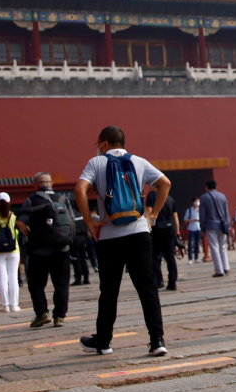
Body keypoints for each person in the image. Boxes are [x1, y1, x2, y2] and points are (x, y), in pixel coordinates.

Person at [73, 125, 171, 357]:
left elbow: (79, 189)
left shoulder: (96, 163)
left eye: (97, 144)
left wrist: (90, 222)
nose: (97, 148)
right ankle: (157, 341)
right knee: (147, 287)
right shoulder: (139, 161)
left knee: (109, 291)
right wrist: (153, 214)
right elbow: (164, 183)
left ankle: (104, 342)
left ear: (105, 143)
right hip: (139, 233)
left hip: (109, 236)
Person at [17, 172, 76, 328]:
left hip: (39, 250)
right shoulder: (63, 200)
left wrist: (31, 236)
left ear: (36, 184)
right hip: (62, 248)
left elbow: (20, 223)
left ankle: (42, 313)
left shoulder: (31, 201)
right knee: (61, 283)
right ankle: (59, 317)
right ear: (51, 184)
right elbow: (72, 221)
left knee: (36, 283)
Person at [146, 186, 179, 291]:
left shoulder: (152, 195)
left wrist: (148, 228)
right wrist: (177, 230)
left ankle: (159, 281)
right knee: (170, 257)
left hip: (156, 230)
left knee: (154, 256)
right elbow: (175, 217)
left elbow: (149, 212)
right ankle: (172, 282)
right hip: (169, 230)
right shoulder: (170, 198)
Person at [198, 180, 231, 277]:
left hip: (210, 225)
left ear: (207, 187)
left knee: (214, 248)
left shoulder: (204, 198)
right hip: (222, 225)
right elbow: (226, 212)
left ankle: (219, 270)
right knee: (222, 247)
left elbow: (202, 214)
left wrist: (202, 228)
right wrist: (227, 225)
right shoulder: (222, 196)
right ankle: (226, 267)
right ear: (216, 186)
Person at [71, 209, 92, 285]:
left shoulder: (70, 215)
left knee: (76, 259)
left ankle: (78, 278)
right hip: (82, 238)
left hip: (74, 239)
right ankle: (86, 278)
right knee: (83, 259)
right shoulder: (80, 215)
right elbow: (85, 226)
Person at [183, 198, 203, 264]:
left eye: (198, 201)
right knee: (191, 244)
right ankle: (190, 258)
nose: (197, 203)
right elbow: (185, 219)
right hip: (191, 228)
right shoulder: (189, 210)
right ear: (193, 202)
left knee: (197, 243)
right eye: (196, 201)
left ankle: (196, 258)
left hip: (198, 228)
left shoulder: (200, 210)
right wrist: (192, 220)